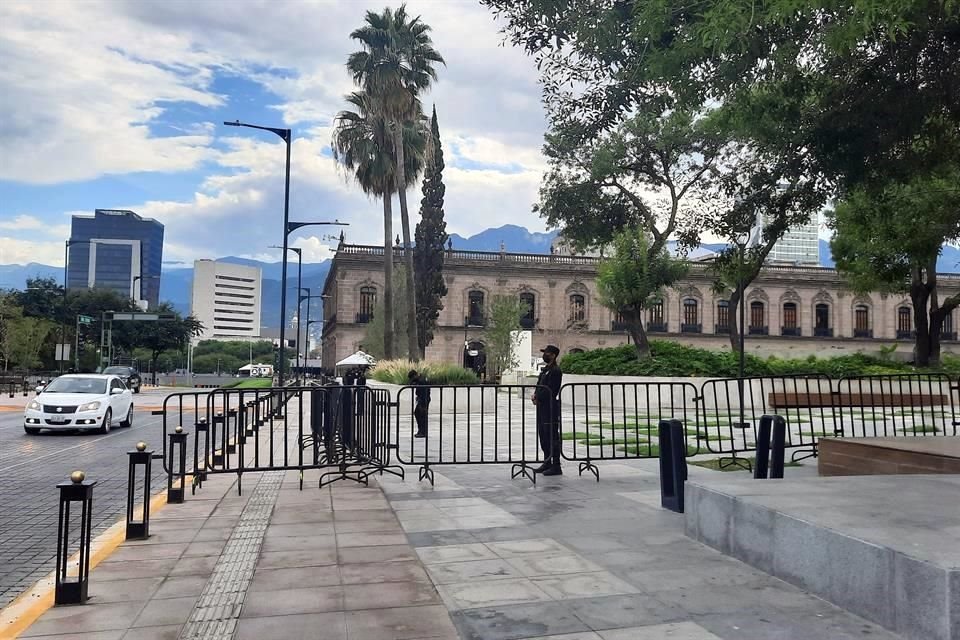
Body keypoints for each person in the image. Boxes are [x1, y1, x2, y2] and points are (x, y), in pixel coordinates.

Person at [532, 344, 563, 475]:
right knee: (543, 435)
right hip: (541, 406)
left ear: (553, 355)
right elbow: (540, 385)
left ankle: (556, 465)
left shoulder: (555, 371)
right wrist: (535, 395)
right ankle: (547, 462)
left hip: (550, 407)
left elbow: (551, 389)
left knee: (551, 435)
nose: (544, 355)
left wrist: (539, 397)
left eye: (547, 353)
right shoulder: (545, 370)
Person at [409, 369, 430, 438]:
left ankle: (422, 432)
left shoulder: (421, 381)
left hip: (423, 400)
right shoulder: (420, 379)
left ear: (415, 375)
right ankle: (422, 431)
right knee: (419, 414)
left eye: (412, 378)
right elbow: (411, 384)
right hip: (422, 399)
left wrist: (421, 403)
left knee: (421, 415)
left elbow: (424, 392)